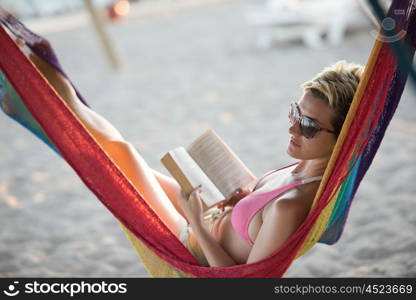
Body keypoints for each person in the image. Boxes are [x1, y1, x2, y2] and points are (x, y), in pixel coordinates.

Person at [11, 38, 363, 267]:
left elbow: (242, 284)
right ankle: (36, 74)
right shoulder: (300, 167)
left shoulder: (293, 204)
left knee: (113, 158)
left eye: (310, 126)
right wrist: (242, 198)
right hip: (205, 220)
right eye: (295, 112)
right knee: (116, 154)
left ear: (344, 136)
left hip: (190, 246)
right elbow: (256, 221)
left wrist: (195, 219)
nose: (293, 128)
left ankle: (30, 76)